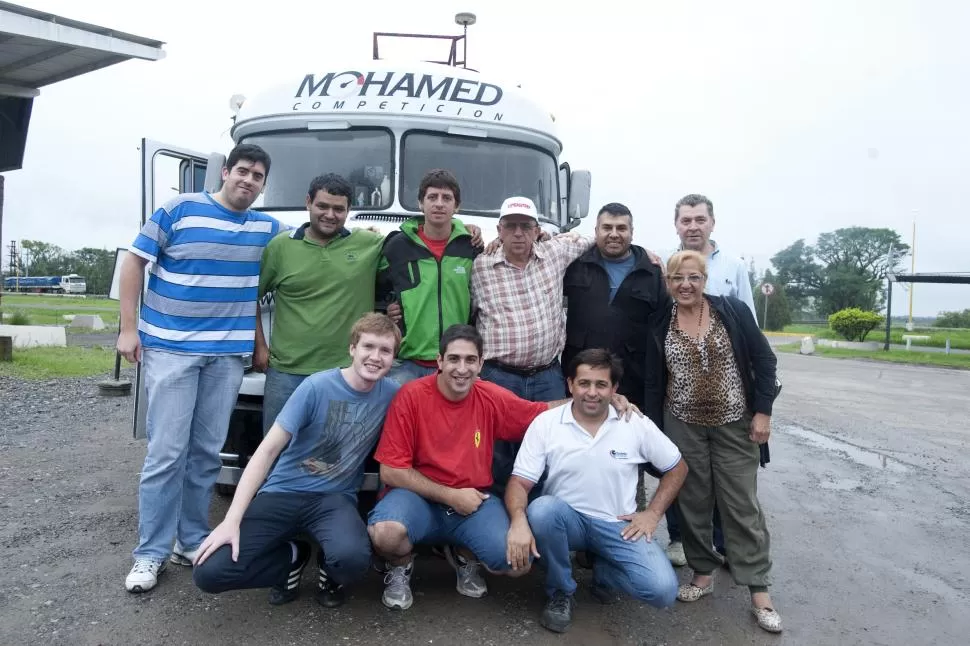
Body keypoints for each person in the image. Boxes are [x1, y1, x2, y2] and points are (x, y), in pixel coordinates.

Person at [365, 324, 639, 610]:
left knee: (517, 563)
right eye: (454, 359)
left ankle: (463, 555)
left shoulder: (489, 396)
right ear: (439, 361)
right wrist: (450, 495)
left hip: (472, 501)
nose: (462, 368)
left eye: (471, 360)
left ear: (481, 364)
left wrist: (600, 400)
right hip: (417, 498)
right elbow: (391, 471)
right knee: (386, 533)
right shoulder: (411, 396)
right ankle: (400, 565)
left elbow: (540, 412)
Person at [117, 144, 284, 593]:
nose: (248, 181)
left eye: (258, 176)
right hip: (171, 349)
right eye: (243, 171)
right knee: (166, 452)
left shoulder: (268, 229)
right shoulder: (179, 210)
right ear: (225, 172)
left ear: (264, 185)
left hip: (226, 356)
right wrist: (128, 329)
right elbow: (134, 261)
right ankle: (149, 553)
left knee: (207, 453)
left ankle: (189, 540)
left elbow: (319, 241)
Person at [192, 313, 401, 608]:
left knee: (353, 561)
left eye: (385, 350)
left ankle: (330, 568)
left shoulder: (392, 393)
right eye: (368, 346)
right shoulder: (316, 387)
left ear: (393, 358)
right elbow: (266, 452)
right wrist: (231, 521)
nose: (375, 357)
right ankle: (291, 558)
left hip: (334, 498)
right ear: (352, 348)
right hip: (283, 491)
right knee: (210, 573)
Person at [505, 348, 687, 633]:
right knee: (540, 510)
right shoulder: (546, 424)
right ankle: (561, 592)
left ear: (614, 388)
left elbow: (677, 467)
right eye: (584, 383)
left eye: (601, 384)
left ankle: (604, 571)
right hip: (567, 520)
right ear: (570, 385)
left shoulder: (633, 422)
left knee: (662, 590)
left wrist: (652, 514)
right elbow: (519, 482)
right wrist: (517, 520)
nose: (592, 392)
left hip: (618, 526)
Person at [649, 250, 783, 633]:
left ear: (705, 279)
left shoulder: (733, 311)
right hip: (683, 423)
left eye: (693, 277)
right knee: (693, 502)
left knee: (741, 504)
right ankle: (703, 574)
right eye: (677, 278)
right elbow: (654, 378)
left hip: (735, 422)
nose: (686, 285)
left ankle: (759, 590)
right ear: (669, 283)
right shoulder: (660, 321)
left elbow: (764, 360)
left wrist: (763, 412)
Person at [470, 195, 593, 496]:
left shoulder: (555, 252)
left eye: (526, 226)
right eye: (510, 226)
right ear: (498, 230)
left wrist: (646, 256)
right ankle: (498, 527)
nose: (518, 233)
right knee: (497, 454)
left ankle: (538, 522)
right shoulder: (479, 267)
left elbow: (595, 239)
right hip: (498, 377)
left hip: (546, 376)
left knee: (547, 452)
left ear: (537, 230)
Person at [253, 173, 386, 435]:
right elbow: (250, 298)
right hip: (286, 373)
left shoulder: (369, 244)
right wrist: (260, 346)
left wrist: (467, 230)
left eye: (339, 209)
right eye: (322, 206)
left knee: (334, 457)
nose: (330, 214)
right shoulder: (279, 248)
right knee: (276, 452)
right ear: (308, 203)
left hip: (345, 372)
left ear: (349, 210)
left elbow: (416, 240)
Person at [665, 192, 755, 565]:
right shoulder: (666, 264)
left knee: (728, 476)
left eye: (699, 219)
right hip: (682, 391)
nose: (693, 226)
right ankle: (679, 540)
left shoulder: (733, 268)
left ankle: (727, 543)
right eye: (686, 220)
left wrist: (758, 401)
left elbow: (750, 332)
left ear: (712, 223)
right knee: (684, 468)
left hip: (727, 391)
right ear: (677, 225)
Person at [377, 169, 482, 386]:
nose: (439, 204)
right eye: (432, 197)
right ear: (420, 203)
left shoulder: (470, 247)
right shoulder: (397, 246)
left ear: (457, 206)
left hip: (454, 364)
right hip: (406, 364)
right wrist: (387, 310)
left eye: (447, 198)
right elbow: (375, 288)